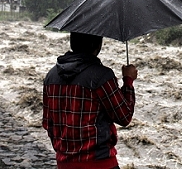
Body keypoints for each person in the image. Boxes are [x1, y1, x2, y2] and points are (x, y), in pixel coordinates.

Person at [43, 32, 138, 169]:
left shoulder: (51, 76)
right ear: (97, 45)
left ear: (72, 42)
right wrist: (128, 81)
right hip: (100, 163)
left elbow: (48, 123)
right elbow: (124, 116)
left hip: (64, 163)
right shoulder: (102, 76)